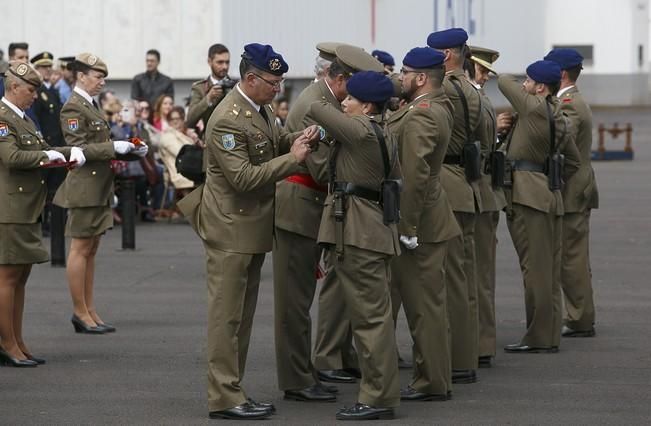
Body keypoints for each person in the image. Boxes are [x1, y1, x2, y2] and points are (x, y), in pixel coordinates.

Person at [176, 43, 318, 420]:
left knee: (242, 316)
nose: (278, 88)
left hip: (249, 227)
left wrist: (299, 139)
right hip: (230, 227)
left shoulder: (261, 108)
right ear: (251, 78)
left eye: (280, 81)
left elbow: (274, 141)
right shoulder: (228, 118)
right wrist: (293, 160)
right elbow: (242, 178)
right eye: (273, 81)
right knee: (227, 318)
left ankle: (234, 389)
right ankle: (223, 396)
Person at [273, 43, 383, 402]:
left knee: (305, 297)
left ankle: (319, 367)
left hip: (312, 205)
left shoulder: (326, 101)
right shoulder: (313, 106)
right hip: (300, 207)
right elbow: (321, 166)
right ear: (341, 81)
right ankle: (297, 379)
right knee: (295, 303)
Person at [308, 70, 400, 421]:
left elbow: (317, 106)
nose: (343, 103)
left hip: (360, 233)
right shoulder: (382, 132)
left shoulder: (361, 129)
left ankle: (377, 397)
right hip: (369, 229)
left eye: (349, 99)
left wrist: (327, 79)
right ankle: (380, 393)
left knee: (370, 321)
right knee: (372, 318)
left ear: (367, 106)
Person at [53, 53, 148, 335]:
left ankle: (89, 309)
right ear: (81, 76)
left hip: (98, 184)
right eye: (97, 76)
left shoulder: (90, 105)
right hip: (84, 186)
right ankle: (79, 312)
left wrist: (130, 149)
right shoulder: (73, 107)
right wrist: (113, 147)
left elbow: (100, 144)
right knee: (80, 248)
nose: (101, 81)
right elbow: (78, 147)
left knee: (91, 249)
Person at [387, 47, 461, 401]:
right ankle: (433, 377)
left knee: (424, 308)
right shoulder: (428, 108)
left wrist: (407, 228)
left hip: (422, 225)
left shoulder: (422, 115)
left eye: (404, 72)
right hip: (431, 219)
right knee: (427, 305)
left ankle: (431, 381)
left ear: (420, 79)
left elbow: (414, 178)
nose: (400, 78)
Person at [0, 62, 84, 367]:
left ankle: (17, 341)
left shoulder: (23, 118)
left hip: (24, 208)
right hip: (10, 209)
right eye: (30, 89)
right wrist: (46, 156)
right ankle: (7, 344)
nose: (34, 95)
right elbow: (11, 157)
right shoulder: (3, 118)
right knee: (8, 278)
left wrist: (66, 154)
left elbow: (44, 148)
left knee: (20, 277)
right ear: (13, 87)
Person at [498, 60, 580, 353]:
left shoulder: (533, 107)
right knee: (545, 269)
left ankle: (540, 337)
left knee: (535, 271)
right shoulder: (558, 114)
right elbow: (572, 161)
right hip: (547, 195)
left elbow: (504, 81)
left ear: (540, 87)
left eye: (529, 81)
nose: (524, 85)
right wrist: (547, 179)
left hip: (528, 197)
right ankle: (546, 334)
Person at [427, 27, 483, 384]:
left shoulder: (444, 89)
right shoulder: (470, 89)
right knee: (462, 278)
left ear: (446, 56)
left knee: (449, 280)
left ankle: (457, 360)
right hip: (465, 183)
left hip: (447, 180)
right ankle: (464, 356)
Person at [544, 48, 599, 338]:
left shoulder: (568, 104)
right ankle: (582, 314)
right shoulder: (570, 100)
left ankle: (579, 318)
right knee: (574, 254)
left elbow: (561, 138)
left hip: (572, 188)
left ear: (561, 74)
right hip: (577, 186)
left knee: (571, 257)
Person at [467, 45, 506, 368]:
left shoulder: (475, 98)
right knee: (481, 274)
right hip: (485, 192)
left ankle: (478, 343)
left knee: (475, 274)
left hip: (477, 191)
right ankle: (482, 341)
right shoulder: (482, 98)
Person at [30, 52, 67, 237]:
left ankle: (53, 221)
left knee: (54, 186)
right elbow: (34, 120)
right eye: (43, 68)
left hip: (55, 145)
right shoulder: (35, 93)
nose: (47, 71)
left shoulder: (51, 91)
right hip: (45, 145)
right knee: (42, 187)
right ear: (35, 69)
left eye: (48, 67)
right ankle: (42, 222)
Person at [186, 44, 235, 140]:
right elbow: (190, 120)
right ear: (209, 62)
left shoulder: (236, 86)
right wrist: (208, 98)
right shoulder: (199, 88)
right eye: (220, 62)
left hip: (233, 138)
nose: (225, 66)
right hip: (210, 140)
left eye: (227, 62)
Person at [159, 106, 196, 197]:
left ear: (183, 119)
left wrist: (194, 138)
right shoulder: (167, 137)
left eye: (178, 118)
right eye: (172, 119)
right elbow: (183, 153)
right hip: (180, 177)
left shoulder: (186, 134)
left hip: (192, 174)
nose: (175, 121)